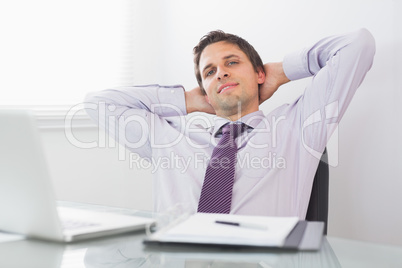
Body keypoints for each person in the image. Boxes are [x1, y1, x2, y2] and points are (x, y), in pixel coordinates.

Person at [85, 28, 375, 218]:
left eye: (232, 63)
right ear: (204, 90)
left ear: (259, 73)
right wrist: (186, 101)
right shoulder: (169, 138)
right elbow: (98, 103)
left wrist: (281, 71)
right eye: (210, 72)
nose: (221, 73)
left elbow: (357, 45)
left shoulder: (297, 127)